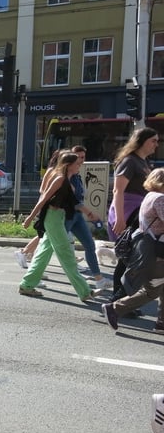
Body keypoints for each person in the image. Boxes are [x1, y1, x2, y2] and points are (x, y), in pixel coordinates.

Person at [19, 152, 98, 302]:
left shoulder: (68, 179)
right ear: (68, 165)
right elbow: (43, 199)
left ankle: (27, 285)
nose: (80, 165)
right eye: (77, 164)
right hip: (53, 219)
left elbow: (74, 202)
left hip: (58, 218)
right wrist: (30, 218)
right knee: (66, 254)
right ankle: (85, 291)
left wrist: (89, 212)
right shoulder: (60, 178)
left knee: (43, 253)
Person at [101, 168, 164, 333]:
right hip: (154, 251)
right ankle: (114, 309)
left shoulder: (149, 196)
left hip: (151, 250)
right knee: (151, 291)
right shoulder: (159, 199)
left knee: (156, 288)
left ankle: (161, 323)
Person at [108, 127, 157, 299]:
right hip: (129, 212)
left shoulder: (143, 162)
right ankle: (117, 300)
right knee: (128, 257)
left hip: (140, 213)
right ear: (141, 141)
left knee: (132, 258)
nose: (156, 145)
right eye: (153, 140)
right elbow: (118, 190)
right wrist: (120, 218)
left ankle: (123, 300)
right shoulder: (130, 161)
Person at [64, 145, 110, 290]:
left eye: (83, 157)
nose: (82, 161)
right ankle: (34, 275)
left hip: (77, 215)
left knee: (89, 245)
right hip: (66, 216)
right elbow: (72, 200)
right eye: (79, 158)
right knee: (51, 247)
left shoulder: (76, 175)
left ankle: (99, 279)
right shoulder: (64, 177)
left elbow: (78, 198)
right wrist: (90, 213)